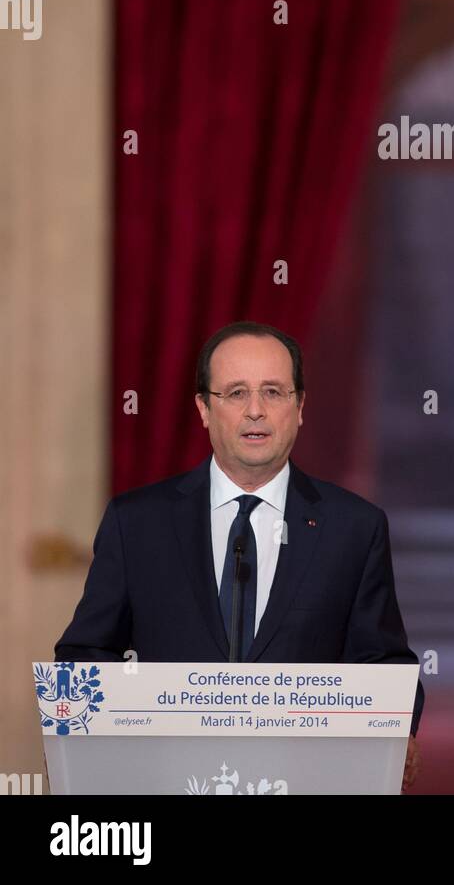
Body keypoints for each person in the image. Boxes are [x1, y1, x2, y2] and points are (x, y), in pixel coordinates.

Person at [55, 320, 423, 791]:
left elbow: (385, 663)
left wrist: (398, 731)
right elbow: (85, 652)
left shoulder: (355, 527)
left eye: (273, 392)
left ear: (300, 407)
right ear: (204, 409)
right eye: (235, 393)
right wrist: (76, 738)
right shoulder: (137, 522)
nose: (255, 411)